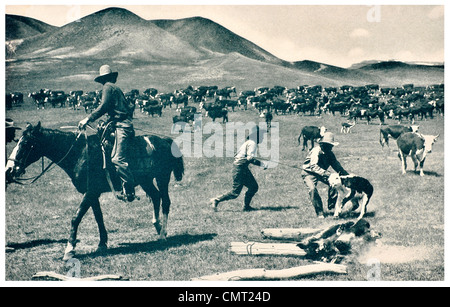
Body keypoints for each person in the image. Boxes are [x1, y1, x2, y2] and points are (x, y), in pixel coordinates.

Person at [78, 64, 136, 202]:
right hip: (117, 124)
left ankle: (129, 187)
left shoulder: (108, 87)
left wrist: (88, 118)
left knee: (117, 159)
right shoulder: (114, 88)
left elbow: (103, 106)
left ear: (102, 79)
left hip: (122, 126)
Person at [210, 125, 268, 211]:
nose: (263, 137)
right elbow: (250, 158)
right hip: (239, 169)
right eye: (261, 135)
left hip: (242, 168)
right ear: (257, 135)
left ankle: (246, 207)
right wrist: (262, 164)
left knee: (253, 187)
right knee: (235, 193)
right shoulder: (252, 143)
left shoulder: (249, 142)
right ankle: (216, 200)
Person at [301, 132, 349, 218]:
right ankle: (320, 213)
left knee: (335, 184)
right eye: (328, 145)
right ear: (323, 144)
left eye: (331, 145)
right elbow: (313, 166)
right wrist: (328, 174)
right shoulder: (316, 151)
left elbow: (337, 166)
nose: (330, 147)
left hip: (322, 173)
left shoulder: (330, 153)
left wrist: (347, 176)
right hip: (309, 173)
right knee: (312, 190)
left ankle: (331, 206)